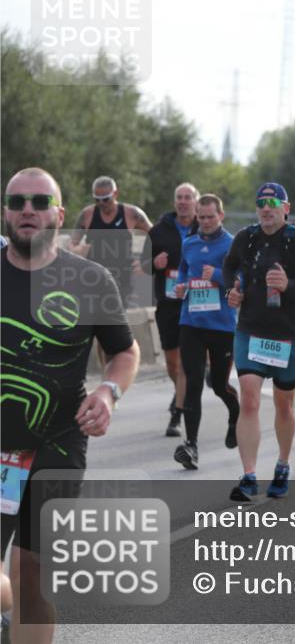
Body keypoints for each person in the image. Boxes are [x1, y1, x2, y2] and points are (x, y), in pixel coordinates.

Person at [2, 167, 139, 644]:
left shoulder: (89, 280)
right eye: (17, 202)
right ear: (5, 213)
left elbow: (124, 351)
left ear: (59, 215)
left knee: (30, 571)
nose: (28, 210)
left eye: (40, 202)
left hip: (56, 444)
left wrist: (108, 392)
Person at [222, 182, 295, 501]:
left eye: (272, 204)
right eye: (261, 204)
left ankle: (283, 465)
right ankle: (249, 476)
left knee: (284, 405)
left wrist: (288, 286)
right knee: (249, 400)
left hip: (288, 334)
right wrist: (232, 289)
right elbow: (228, 267)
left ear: (286, 208)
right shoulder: (246, 237)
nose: (266, 209)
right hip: (250, 330)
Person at [171, 194, 241, 469]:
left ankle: (234, 414)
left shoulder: (232, 244)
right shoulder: (189, 243)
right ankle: (191, 446)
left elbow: (241, 281)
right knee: (193, 384)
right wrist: (180, 287)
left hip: (222, 326)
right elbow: (183, 272)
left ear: (221, 215)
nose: (206, 221)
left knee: (220, 386)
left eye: (211, 217)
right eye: (201, 217)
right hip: (191, 322)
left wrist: (218, 275)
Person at [142, 182, 198, 437]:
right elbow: (143, 265)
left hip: (197, 303)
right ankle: (180, 393)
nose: (183, 201)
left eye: (188, 197)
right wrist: (154, 263)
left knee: (188, 362)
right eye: (179, 197)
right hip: (168, 304)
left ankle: (178, 412)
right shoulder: (159, 230)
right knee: (173, 364)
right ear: (175, 202)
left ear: (195, 201)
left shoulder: (205, 226)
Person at [68, 176, 153, 310]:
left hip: (122, 279)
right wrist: (77, 251)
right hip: (93, 278)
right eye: (97, 199)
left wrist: (146, 261)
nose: (101, 203)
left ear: (115, 194)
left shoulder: (131, 213)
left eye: (106, 199)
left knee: (116, 316)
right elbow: (72, 244)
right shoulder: (87, 215)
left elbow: (156, 235)